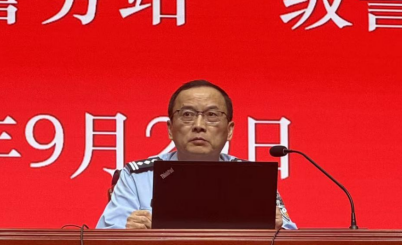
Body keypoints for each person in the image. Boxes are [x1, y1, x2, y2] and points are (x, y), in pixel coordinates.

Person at [96, 80, 297, 229]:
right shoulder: (137, 176)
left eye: (212, 115)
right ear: (170, 129)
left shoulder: (253, 178)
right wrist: (129, 231)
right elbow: (105, 240)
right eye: (187, 115)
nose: (199, 125)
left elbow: (291, 239)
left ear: (229, 130)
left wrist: (276, 228)